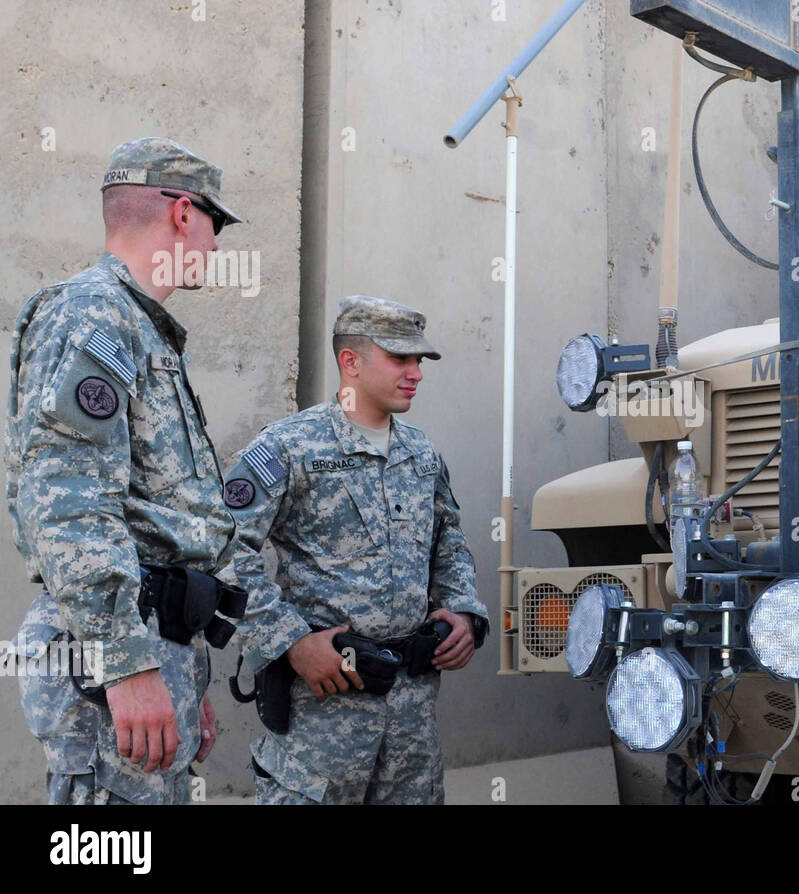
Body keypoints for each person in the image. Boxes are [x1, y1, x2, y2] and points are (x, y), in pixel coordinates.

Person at [7, 137, 246, 804]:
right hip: (113, 654)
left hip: (155, 644)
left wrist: (180, 672)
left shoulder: (141, 329)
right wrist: (126, 665)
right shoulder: (95, 312)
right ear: (181, 214)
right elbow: (69, 501)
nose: (217, 246)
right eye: (215, 223)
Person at [224, 295, 488, 804]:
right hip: (324, 718)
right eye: (399, 358)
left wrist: (463, 612)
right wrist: (293, 643)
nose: (415, 372)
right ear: (351, 361)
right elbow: (223, 549)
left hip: (411, 719)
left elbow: (449, 543)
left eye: (419, 360)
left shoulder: (421, 452)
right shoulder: (290, 447)